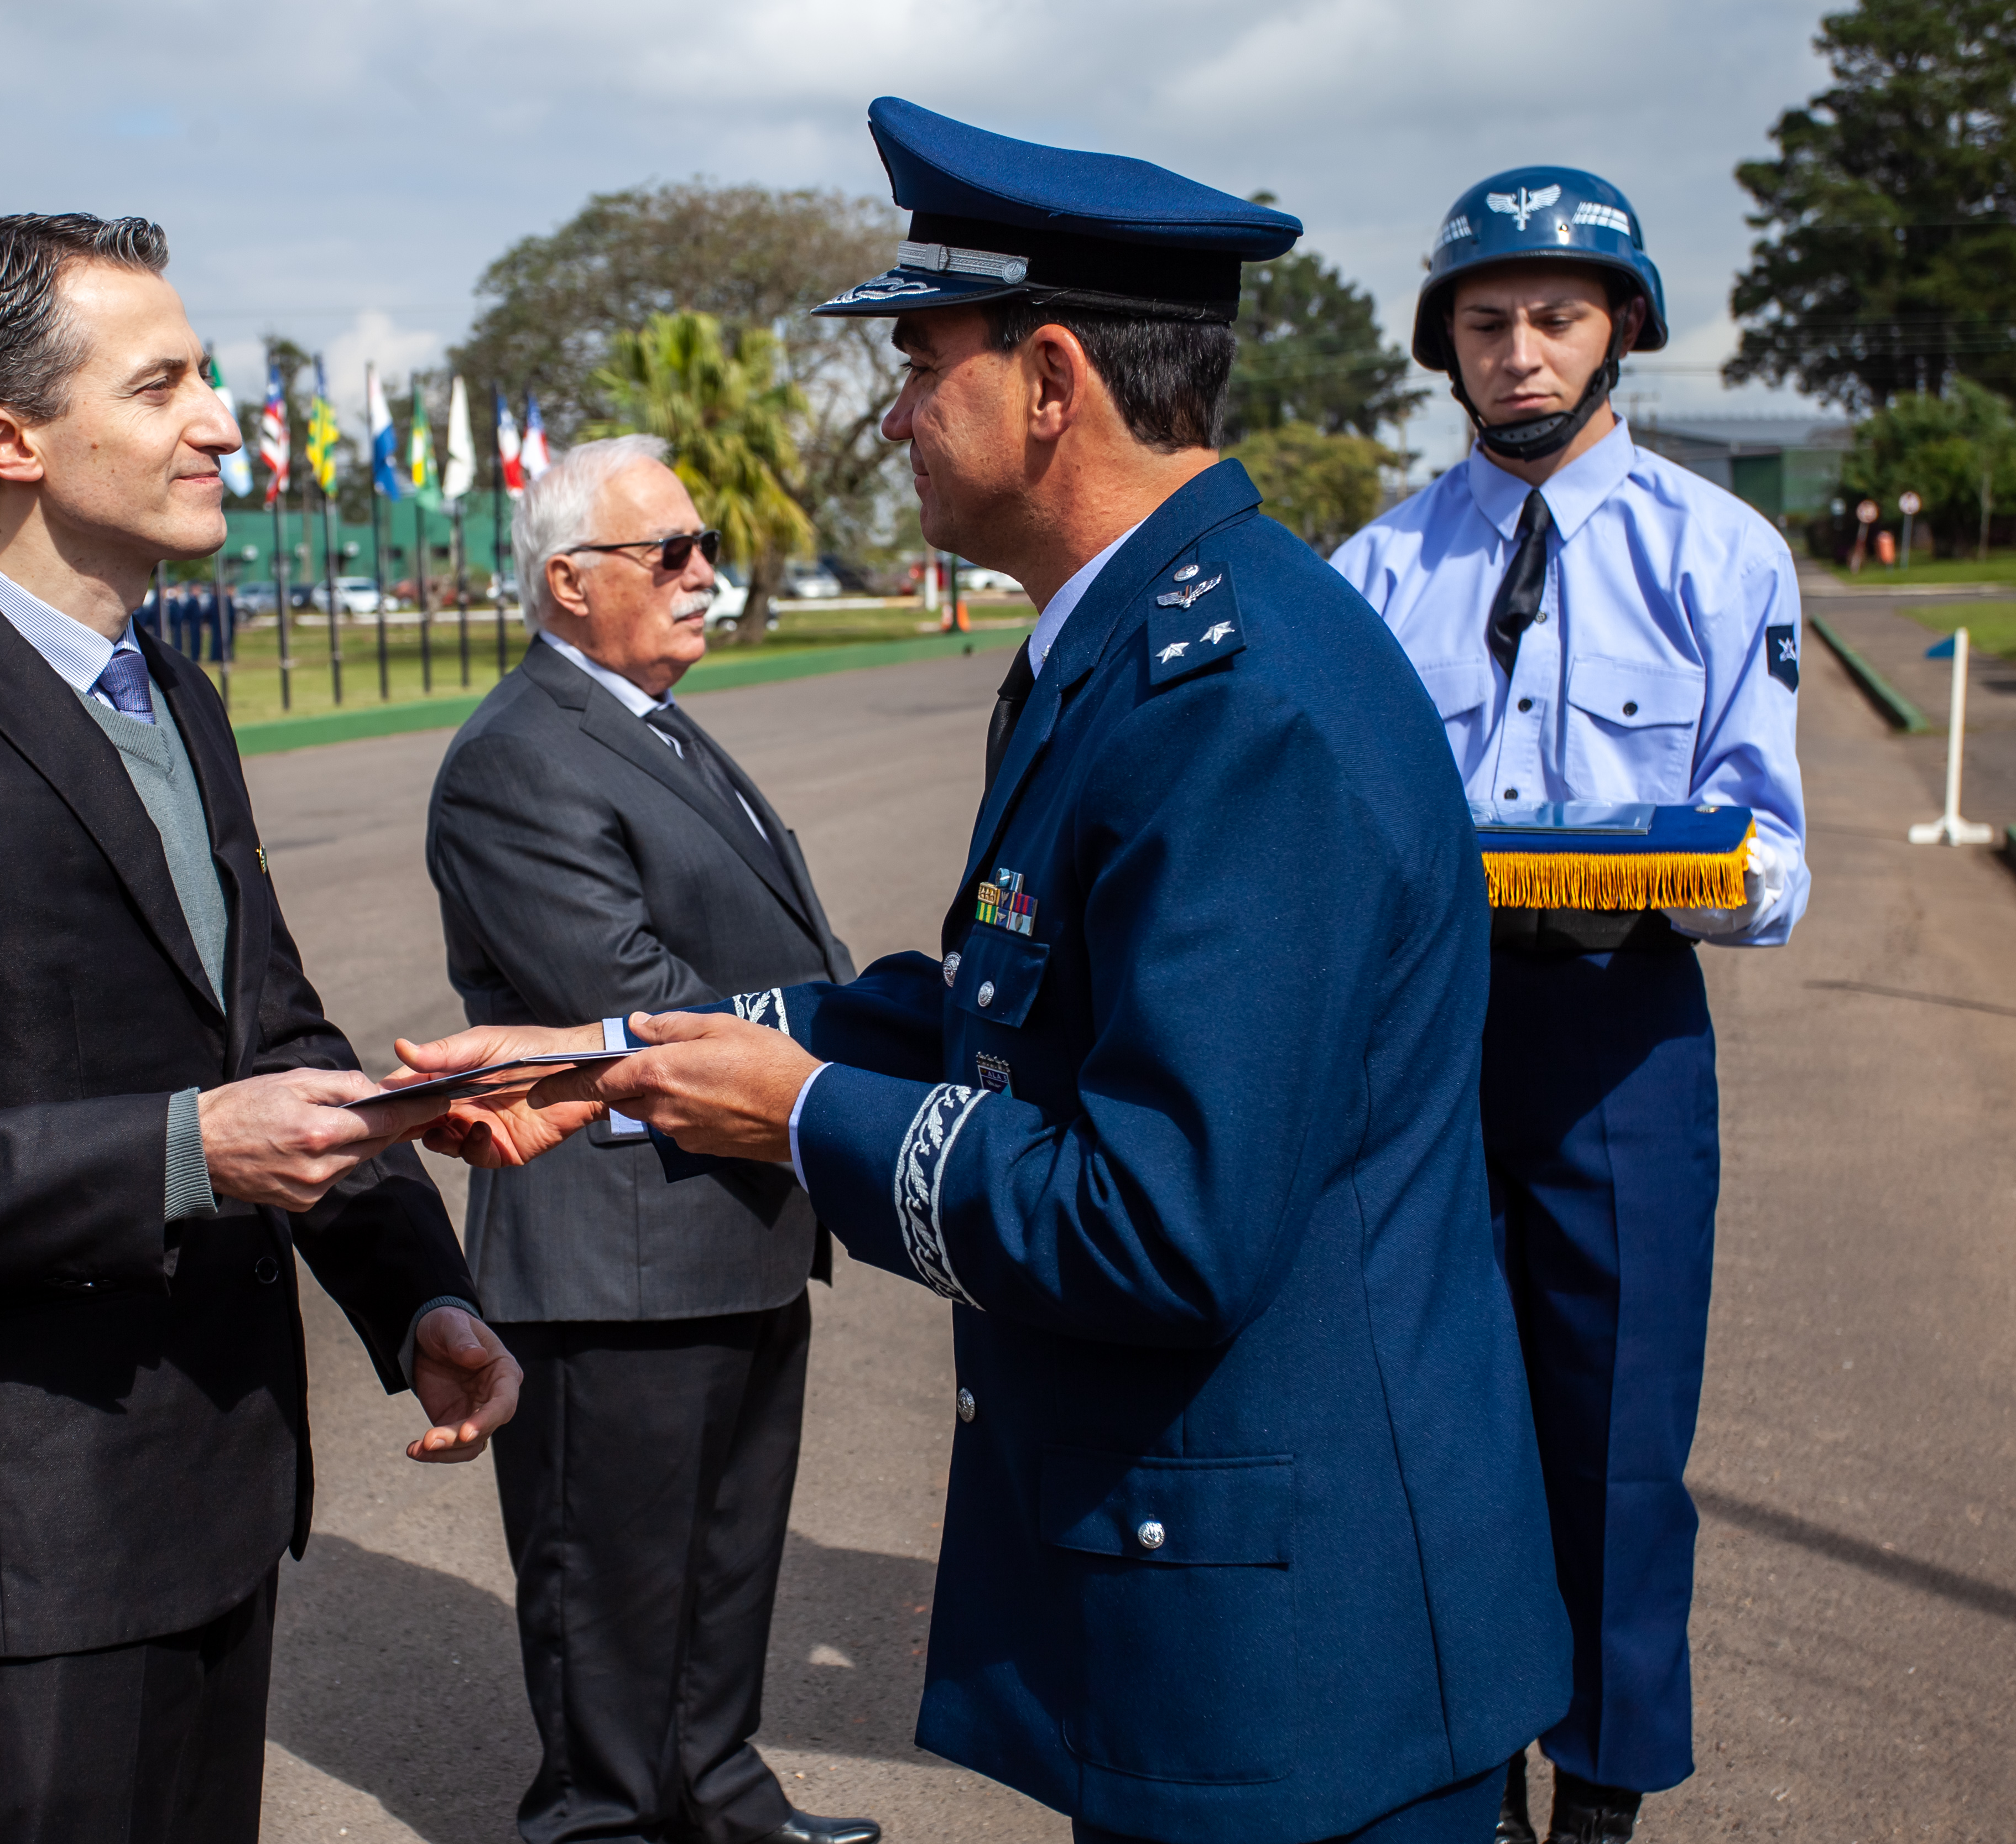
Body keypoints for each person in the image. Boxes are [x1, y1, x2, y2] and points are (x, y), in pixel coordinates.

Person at [403, 98, 1571, 1844]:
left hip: (1299, 1664)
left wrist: (800, 1119)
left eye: (917, 360)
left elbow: (1160, 1216)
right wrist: (628, 1046)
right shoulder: (1124, 647)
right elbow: (999, 1011)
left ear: (1047, 381)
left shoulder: (1228, 701)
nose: (888, 413)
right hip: (1216, 1613)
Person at [0, 210, 522, 1844]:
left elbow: (269, 1032)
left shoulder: (176, 694)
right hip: (35, 1549)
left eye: (206, 376)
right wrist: (187, 1148)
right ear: (5, 440)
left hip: (220, 1496)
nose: (221, 420)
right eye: (161, 385)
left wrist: (415, 1288)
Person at [1329, 169, 1807, 1844]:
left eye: (1555, 316)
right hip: (1425, 1044)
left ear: (1619, 332)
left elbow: (1774, 854)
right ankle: (1459, 1763)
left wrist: (1669, 872)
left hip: (1618, 1032)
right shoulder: (1370, 571)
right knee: (1424, 1416)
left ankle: (1598, 1796)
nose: (1519, 353)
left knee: (1611, 1438)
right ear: (1440, 347)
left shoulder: (1718, 551)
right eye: (1484, 322)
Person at [426, 434, 873, 1844]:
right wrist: (832, 1040)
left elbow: (773, 944)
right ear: (566, 581)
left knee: (726, 1559)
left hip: (733, 1214)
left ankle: (719, 1791)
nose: (704, 576)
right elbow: (631, 1003)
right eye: (667, 553)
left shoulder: (648, 721)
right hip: (612, 1249)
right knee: (607, 1593)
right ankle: (604, 1819)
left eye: (701, 548)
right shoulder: (518, 758)